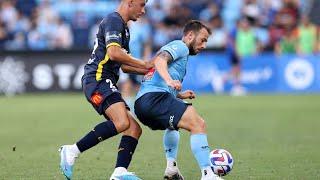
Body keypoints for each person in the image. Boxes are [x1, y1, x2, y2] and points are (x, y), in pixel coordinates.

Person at [59, 0, 152, 180]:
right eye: (141, 4)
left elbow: (124, 66)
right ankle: (72, 151)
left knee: (134, 129)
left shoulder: (124, 28)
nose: (144, 10)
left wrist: (152, 69)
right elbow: (114, 54)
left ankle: (119, 172)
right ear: (129, 2)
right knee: (123, 122)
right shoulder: (114, 20)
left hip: (105, 81)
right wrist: (146, 63)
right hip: (97, 79)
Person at [134, 20, 223, 180]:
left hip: (142, 104)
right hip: (154, 99)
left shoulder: (181, 55)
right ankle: (208, 174)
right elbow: (160, 60)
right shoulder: (180, 46)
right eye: (202, 40)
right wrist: (169, 80)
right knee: (198, 123)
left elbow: (156, 77)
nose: (203, 45)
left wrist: (180, 95)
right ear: (190, 35)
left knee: (173, 125)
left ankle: (171, 168)